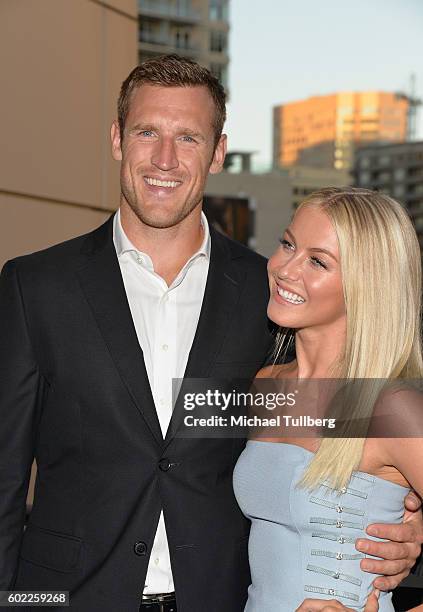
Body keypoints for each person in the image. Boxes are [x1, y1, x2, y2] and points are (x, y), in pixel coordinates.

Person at [0, 56, 420, 611]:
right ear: (117, 139)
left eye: (189, 138)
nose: (165, 159)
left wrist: (406, 532)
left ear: (219, 151)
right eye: (147, 132)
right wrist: (19, 603)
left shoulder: (265, 294)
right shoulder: (37, 285)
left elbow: (357, 436)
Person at [233, 187, 423, 611]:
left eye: (318, 261)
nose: (285, 268)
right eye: (287, 244)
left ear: (367, 285)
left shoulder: (392, 407)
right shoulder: (265, 385)